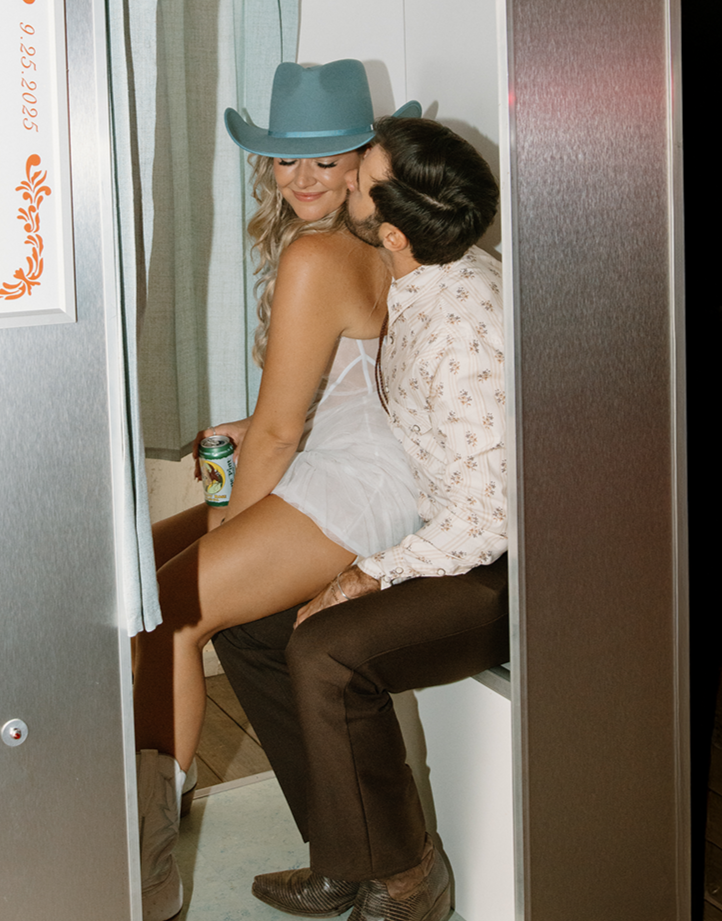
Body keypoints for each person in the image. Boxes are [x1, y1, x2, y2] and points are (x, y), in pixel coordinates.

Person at [135, 60, 426, 921]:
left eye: (326, 160)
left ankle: (150, 863)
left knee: (174, 608)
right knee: (145, 568)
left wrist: (228, 517)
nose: (301, 178)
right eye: (284, 159)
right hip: (353, 467)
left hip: (360, 488)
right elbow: (306, 404)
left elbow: (280, 434)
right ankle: (325, 838)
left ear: (361, 159)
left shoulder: (317, 254)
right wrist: (237, 440)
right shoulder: (376, 243)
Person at [213, 115, 508, 921]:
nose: (337, 180)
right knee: (249, 630)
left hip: (499, 569)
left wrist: (367, 572)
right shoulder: (416, 276)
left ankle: (410, 879)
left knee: (329, 651)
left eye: (357, 174)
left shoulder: (455, 324)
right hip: (449, 536)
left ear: (388, 226)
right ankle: (344, 857)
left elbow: (487, 520)